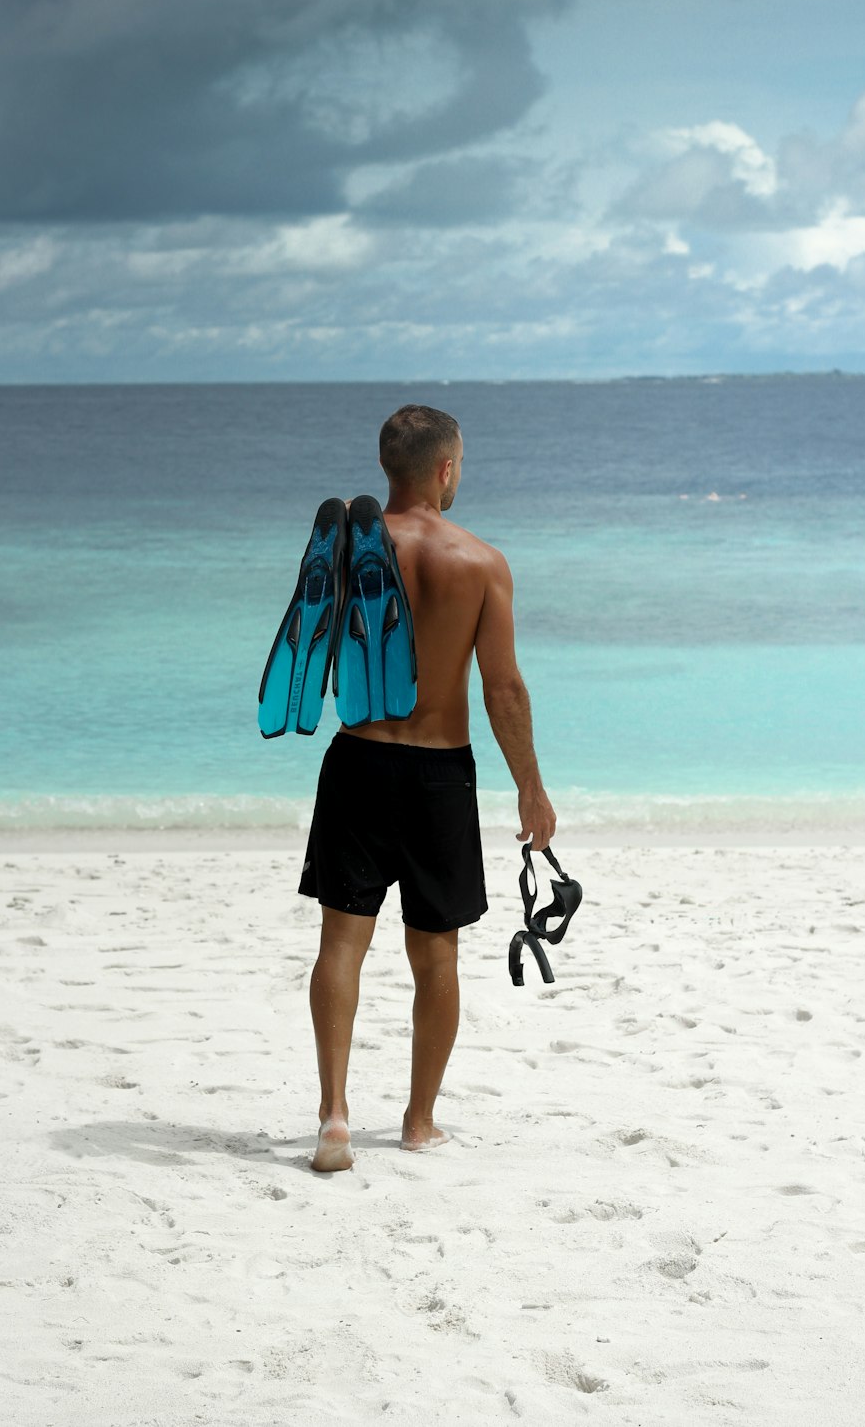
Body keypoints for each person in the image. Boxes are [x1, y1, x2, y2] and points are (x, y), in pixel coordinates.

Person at [299, 404, 556, 1172]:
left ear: (389, 469)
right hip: (440, 775)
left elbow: (310, 642)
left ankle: (335, 1117)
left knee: (342, 941)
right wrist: (531, 790)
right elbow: (502, 689)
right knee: (435, 955)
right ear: (445, 468)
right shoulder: (481, 562)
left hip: (358, 760)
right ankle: (417, 1122)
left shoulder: (346, 552)